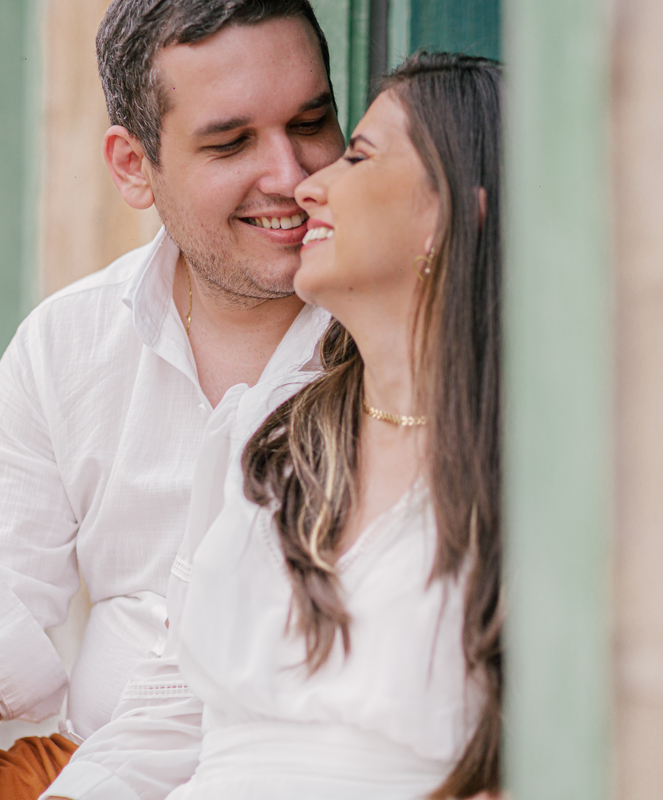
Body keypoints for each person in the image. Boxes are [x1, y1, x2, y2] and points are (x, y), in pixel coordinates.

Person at [0, 2, 345, 799]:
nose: (291, 178)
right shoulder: (68, 344)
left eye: (312, 122)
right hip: (87, 764)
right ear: (133, 166)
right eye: (231, 142)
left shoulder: (389, 340)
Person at [39, 52, 503, 800]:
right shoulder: (266, 443)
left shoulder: (524, 483)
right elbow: (168, 715)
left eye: (355, 153)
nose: (308, 185)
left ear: (446, 214)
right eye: (231, 142)